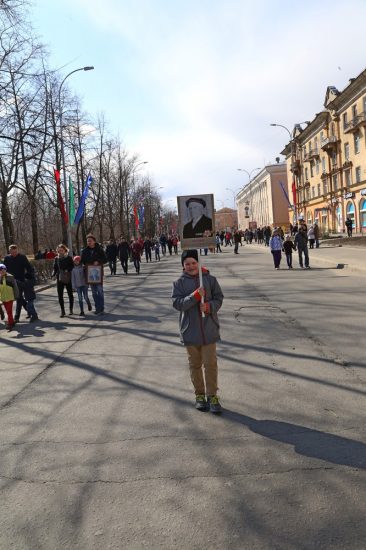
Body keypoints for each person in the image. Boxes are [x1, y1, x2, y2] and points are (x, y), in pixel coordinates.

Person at [172, 249, 224, 413]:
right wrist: (195, 296)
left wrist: (209, 307)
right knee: (195, 365)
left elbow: (219, 298)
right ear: (183, 266)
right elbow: (178, 304)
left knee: (210, 364)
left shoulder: (209, 279)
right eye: (187, 264)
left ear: (199, 263)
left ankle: (212, 395)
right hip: (190, 331)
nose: (191, 266)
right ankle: (200, 395)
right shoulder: (179, 283)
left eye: (194, 263)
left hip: (209, 329)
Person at [4, 244, 38, 323]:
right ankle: (29, 312)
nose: (14, 254)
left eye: (15, 252)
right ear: (9, 251)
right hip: (12, 281)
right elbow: (4, 270)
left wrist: (29, 277)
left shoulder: (22, 257)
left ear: (17, 250)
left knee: (19, 299)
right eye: (12, 252)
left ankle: (17, 317)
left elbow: (29, 268)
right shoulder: (7, 258)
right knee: (19, 298)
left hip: (22, 281)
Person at [81, 234, 107, 314]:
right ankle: (97, 308)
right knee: (93, 292)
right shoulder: (85, 251)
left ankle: (101, 308)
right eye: (88, 241)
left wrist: (98, 261)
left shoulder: (99, 249)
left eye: (90, 241)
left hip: (98, 273)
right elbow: (83, 261)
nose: (89, 242)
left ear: (94, 241)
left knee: (100, 291)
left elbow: (105, 259)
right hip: (90, 274)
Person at [52, 244, 74, 317]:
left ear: (65, 250)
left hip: (67, 277)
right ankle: (62, 311)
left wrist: (68, 269)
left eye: (62, 250)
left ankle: (71, 309)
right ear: (57, 250)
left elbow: (72, 266)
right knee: (60, 295)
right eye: (59, 250)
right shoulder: (56, 258)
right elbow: (55, 268)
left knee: (70, 294)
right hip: (60, 278)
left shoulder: (69, 258)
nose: (61, 251)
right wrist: (53, 274)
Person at [0, 263, 19, 330]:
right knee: (8, 311)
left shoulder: (10, 277)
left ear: (5, 270)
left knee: (9, 311)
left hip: (10, 297)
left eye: (3, 270)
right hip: (3, 297)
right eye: (0, 270)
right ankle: (12, 322)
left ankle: (10, 324)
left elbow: (15, 287)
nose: (2, 271)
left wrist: (16, 295)